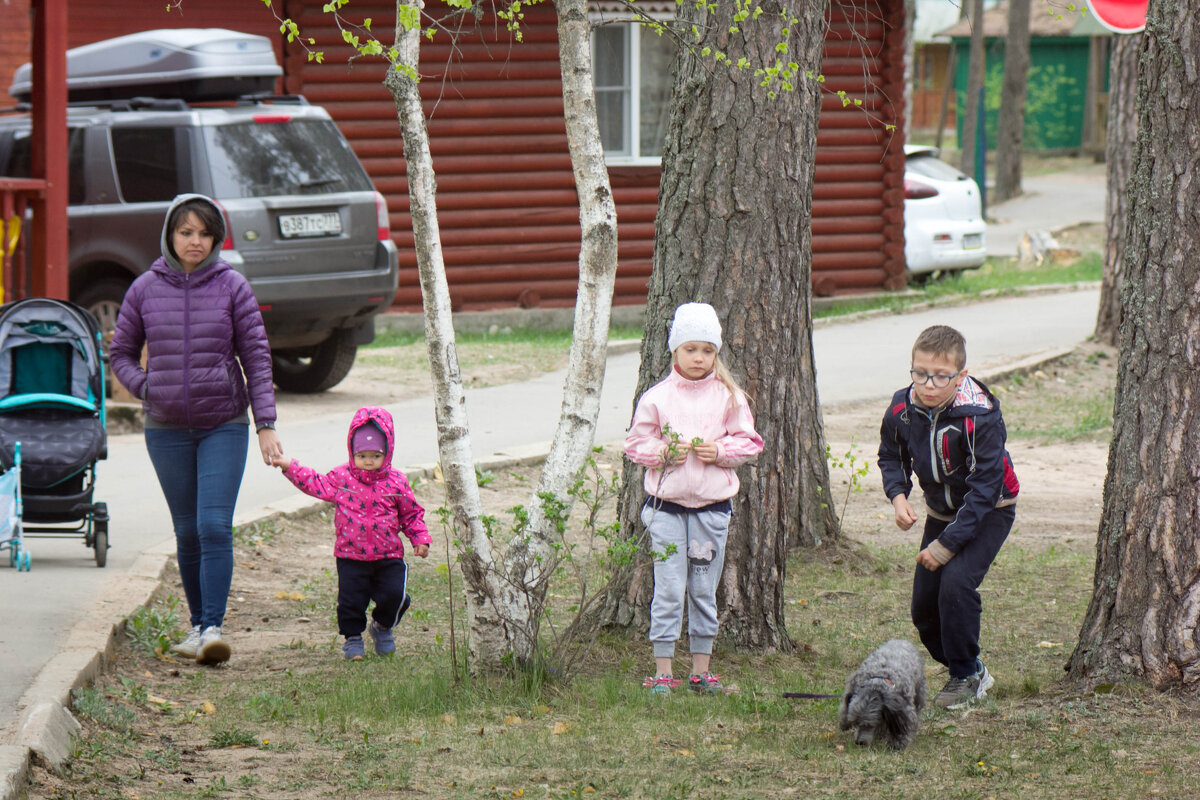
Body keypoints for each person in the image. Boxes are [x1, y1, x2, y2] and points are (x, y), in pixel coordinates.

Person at [111, 194, 282, 666]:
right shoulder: (145, 287)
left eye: (204, 233)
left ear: (216, 238)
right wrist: (147, 388)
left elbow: (257, 358)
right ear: (170, 234)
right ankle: (197, 627)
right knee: (187, 532)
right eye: (186, 232)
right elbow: (120, 352)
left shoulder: (233, 287)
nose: (195, 242)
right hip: (164, 430)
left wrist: (265, 423)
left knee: (212, 525)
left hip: (223, 424)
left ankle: (212, 628)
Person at [623, 302, 764, 695]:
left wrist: (719, 453)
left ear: (716, 353)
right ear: (674, 350)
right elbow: (636, 444)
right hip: (665, 511)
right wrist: (662, 454)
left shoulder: (730, 397)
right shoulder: (658, 397)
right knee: (668, 588)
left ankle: (701, 670)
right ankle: (663, 671)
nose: (699, 358)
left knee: (703, 588)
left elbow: (750, 442)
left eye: (707, 350)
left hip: (711, 512)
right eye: (691, 349)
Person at [878, 324, 1019, 709]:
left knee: (955, 586)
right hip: (942, 514)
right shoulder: (901, 408)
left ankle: (965, 676)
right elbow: (892, 455)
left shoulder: (979, 415)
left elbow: (985, 488)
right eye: (919, 373)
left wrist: (946, 547)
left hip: (989, 511)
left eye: (940, 376)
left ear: (961, 375)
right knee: (924, 608)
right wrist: (898, 495)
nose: (927, 384)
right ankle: (969, 664)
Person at [270, 407, 430, 660]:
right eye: (362, 455)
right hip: (350, 556)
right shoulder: (341, 478)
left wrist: (419, 538)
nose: (368, 461)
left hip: (388, 556)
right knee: (351, 602)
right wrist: (290, 466)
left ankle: (382, 627)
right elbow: (315, 483)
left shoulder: (397, 482)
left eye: (375, 455)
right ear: (352, 452)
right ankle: (353, 638)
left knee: (395, 596)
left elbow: (411, 513)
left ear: (387, 453)